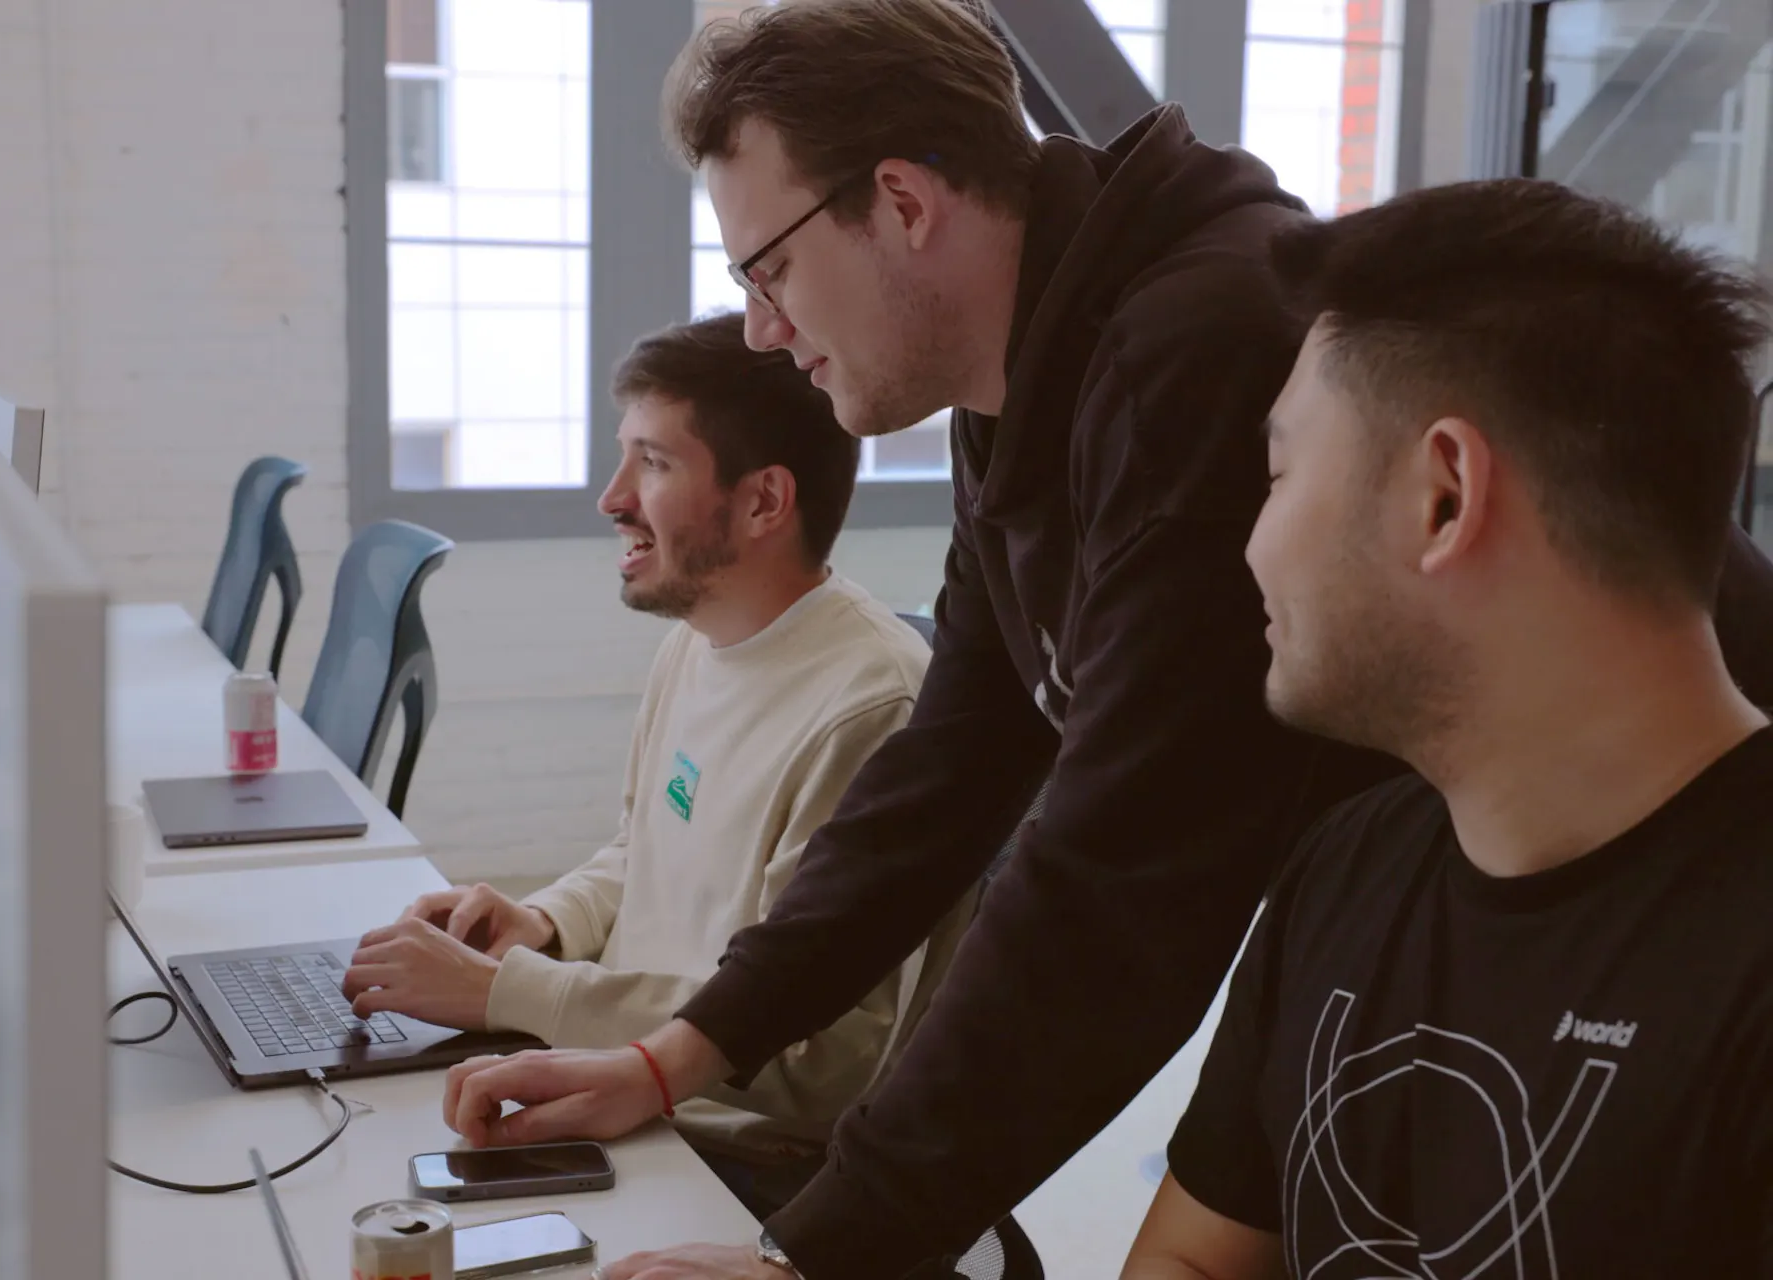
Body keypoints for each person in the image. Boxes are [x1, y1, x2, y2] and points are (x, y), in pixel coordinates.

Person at [438, 4, 1773, 1277]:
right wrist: (684, 1050)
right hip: (1432, 919)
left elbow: (1115, 887)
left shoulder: (1189, 348)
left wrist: (819, 1245)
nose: (761, 326)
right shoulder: (1022, 392)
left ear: (903, 203)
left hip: (1648, 908)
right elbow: (953, 767)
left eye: (770, 267)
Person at [1123, 180, 1773, 1278]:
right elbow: (1192, 1255)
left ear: (1443, 496)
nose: (1250, 545)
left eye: (1278, 474)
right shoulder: (1347, 869)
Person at [341, 312, 962, 1213]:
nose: (612, 497)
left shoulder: (869, 709)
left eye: (654, 463)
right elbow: (641, 854)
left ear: (762, 502)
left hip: (740, 1167)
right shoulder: (702, 636)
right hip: (634, 1101)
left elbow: (818, 1060)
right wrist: (539, 925)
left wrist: (510, 992)